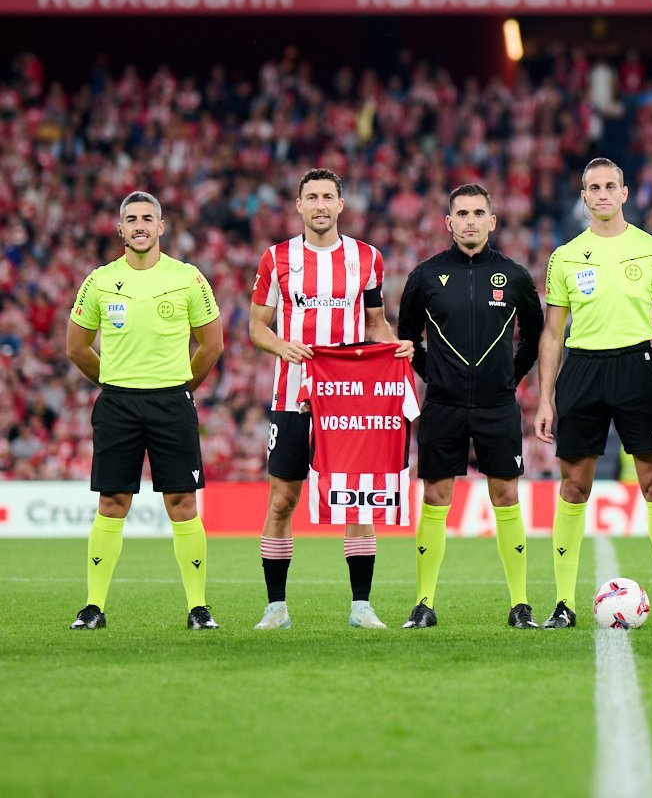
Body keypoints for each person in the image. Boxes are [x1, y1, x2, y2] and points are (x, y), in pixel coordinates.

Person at [249, 167, 411, 630]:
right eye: (311, 197)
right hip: (292, 394)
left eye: (328, 197)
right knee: (282, 500)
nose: (320, 205)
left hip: (349, 400)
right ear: (298, 206)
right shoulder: (276, 258)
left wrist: (394, 347)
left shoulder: (367, 258)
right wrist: (282, 346)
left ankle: (361, 607)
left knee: (358, 501)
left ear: (342, 205)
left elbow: (376, 323)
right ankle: (275, 607)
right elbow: (257, 325)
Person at [535, 158, 652, 629]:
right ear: (583, 197)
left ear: (625, 193)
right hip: (581, 370)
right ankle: (564, 603)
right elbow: (553, 334)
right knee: (574, 486)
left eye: (610, 186)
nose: (602, 194)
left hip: (637, 368)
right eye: (593, 188)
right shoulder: (565, 256)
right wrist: (544, 397)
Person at [66, 191, 224, 631]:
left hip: (171, 401)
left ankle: (198, 607)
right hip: (118, 403)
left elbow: (212, 345)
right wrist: (112, 380)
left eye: (146, 218)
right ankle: (94, 606)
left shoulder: (188, 278)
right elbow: (75, 347)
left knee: (182, 501)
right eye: (130, 218)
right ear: (120, 229)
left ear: (161, 226)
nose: (139, 225)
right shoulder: (98, 281)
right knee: (113, 501)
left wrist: (182, 387)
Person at [397, 183, 544, 629]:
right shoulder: (425, 276)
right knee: (436, 497)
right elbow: (407, 341)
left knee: (506, 495)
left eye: (478, 213)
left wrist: (509, 380)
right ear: (449, 222)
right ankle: (424, 603)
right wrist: (436, 377)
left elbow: (534, 338)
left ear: (492, 221)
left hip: (497, 405)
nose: (470, 221)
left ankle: (520, 605)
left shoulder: (514, 276)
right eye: (461, 213)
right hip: (442, 404)